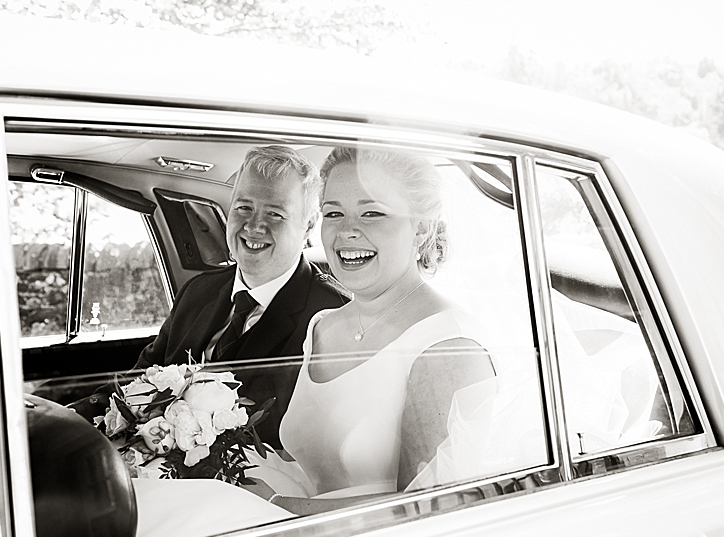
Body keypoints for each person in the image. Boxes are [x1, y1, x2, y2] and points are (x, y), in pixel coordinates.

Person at [241, 147, 497, 515]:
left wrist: (276, 508)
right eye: (333, 213)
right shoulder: (322, 327)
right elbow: (318, 466)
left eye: (372, 212)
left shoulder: (448, 346)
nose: (346, 231)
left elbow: (425, 512)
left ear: (421, 228)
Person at [136, 145, 350, 448]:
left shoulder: (333, 314)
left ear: (309, 225)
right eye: (243, 208)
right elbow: (141, 379)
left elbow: (320, 439)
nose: (253, 226)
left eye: (275, 213)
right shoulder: (198, 291)